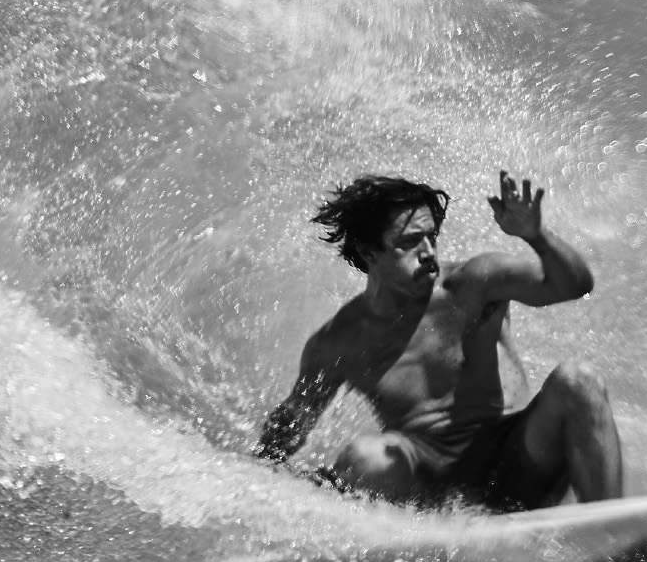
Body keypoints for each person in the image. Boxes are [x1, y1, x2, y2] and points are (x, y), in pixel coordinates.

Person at [255, 171, 623, 512]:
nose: (429, 252)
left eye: (432, 236)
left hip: (520, 463)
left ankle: (611, 532)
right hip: (435, 497)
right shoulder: (338, 342)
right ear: (370, 253)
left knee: (579, 380)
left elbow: (575, 285)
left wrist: (536, 236)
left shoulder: (473, 283)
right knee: (363, 458)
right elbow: (286, 434)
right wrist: (253, 476)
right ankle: (405, 555)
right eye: (411, 242)